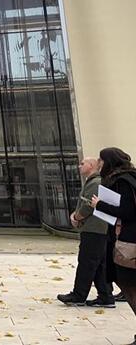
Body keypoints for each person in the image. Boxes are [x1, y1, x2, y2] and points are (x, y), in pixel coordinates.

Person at [91, 147, 136, 345]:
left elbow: (127, 211)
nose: (98, 164)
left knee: (129, 286)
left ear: (109, 161)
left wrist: (99, 205)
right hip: (129, 240)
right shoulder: (131, 177)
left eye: (100, 160)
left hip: (128, 242)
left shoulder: (122, 181)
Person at [58, 157, 114, 307]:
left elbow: (89, 205)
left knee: (87, 262)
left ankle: (79, 295)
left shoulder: (95, 183)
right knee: (99, 264)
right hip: (97, 229)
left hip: (93, 228)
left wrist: (76, 217)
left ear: (91, 166)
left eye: (82, 164)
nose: (79, 166)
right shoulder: (94, 181)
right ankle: (106, 296)